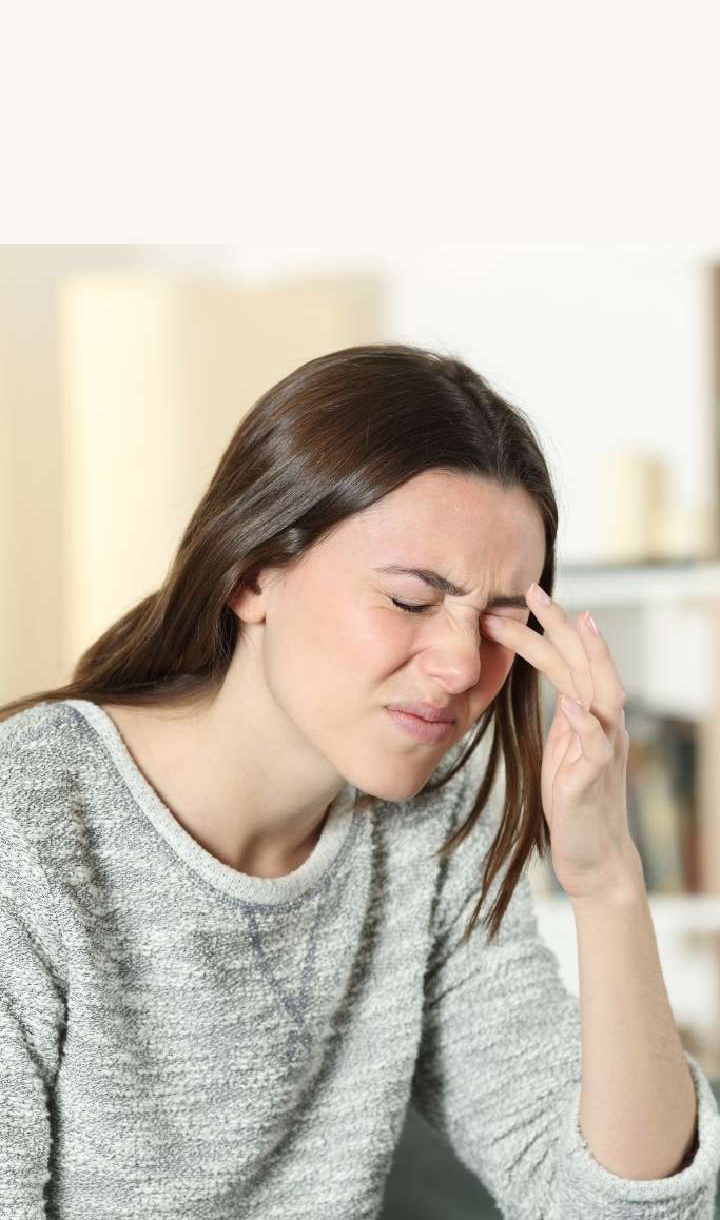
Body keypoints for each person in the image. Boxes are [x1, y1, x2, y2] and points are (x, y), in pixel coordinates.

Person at [1, 342, 718, 1219]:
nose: (462, 666)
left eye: (500, 622)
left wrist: (607, 882)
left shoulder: (437, 818)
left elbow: (617, 1209)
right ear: (253, 576)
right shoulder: (29, 825)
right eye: (412, 601)